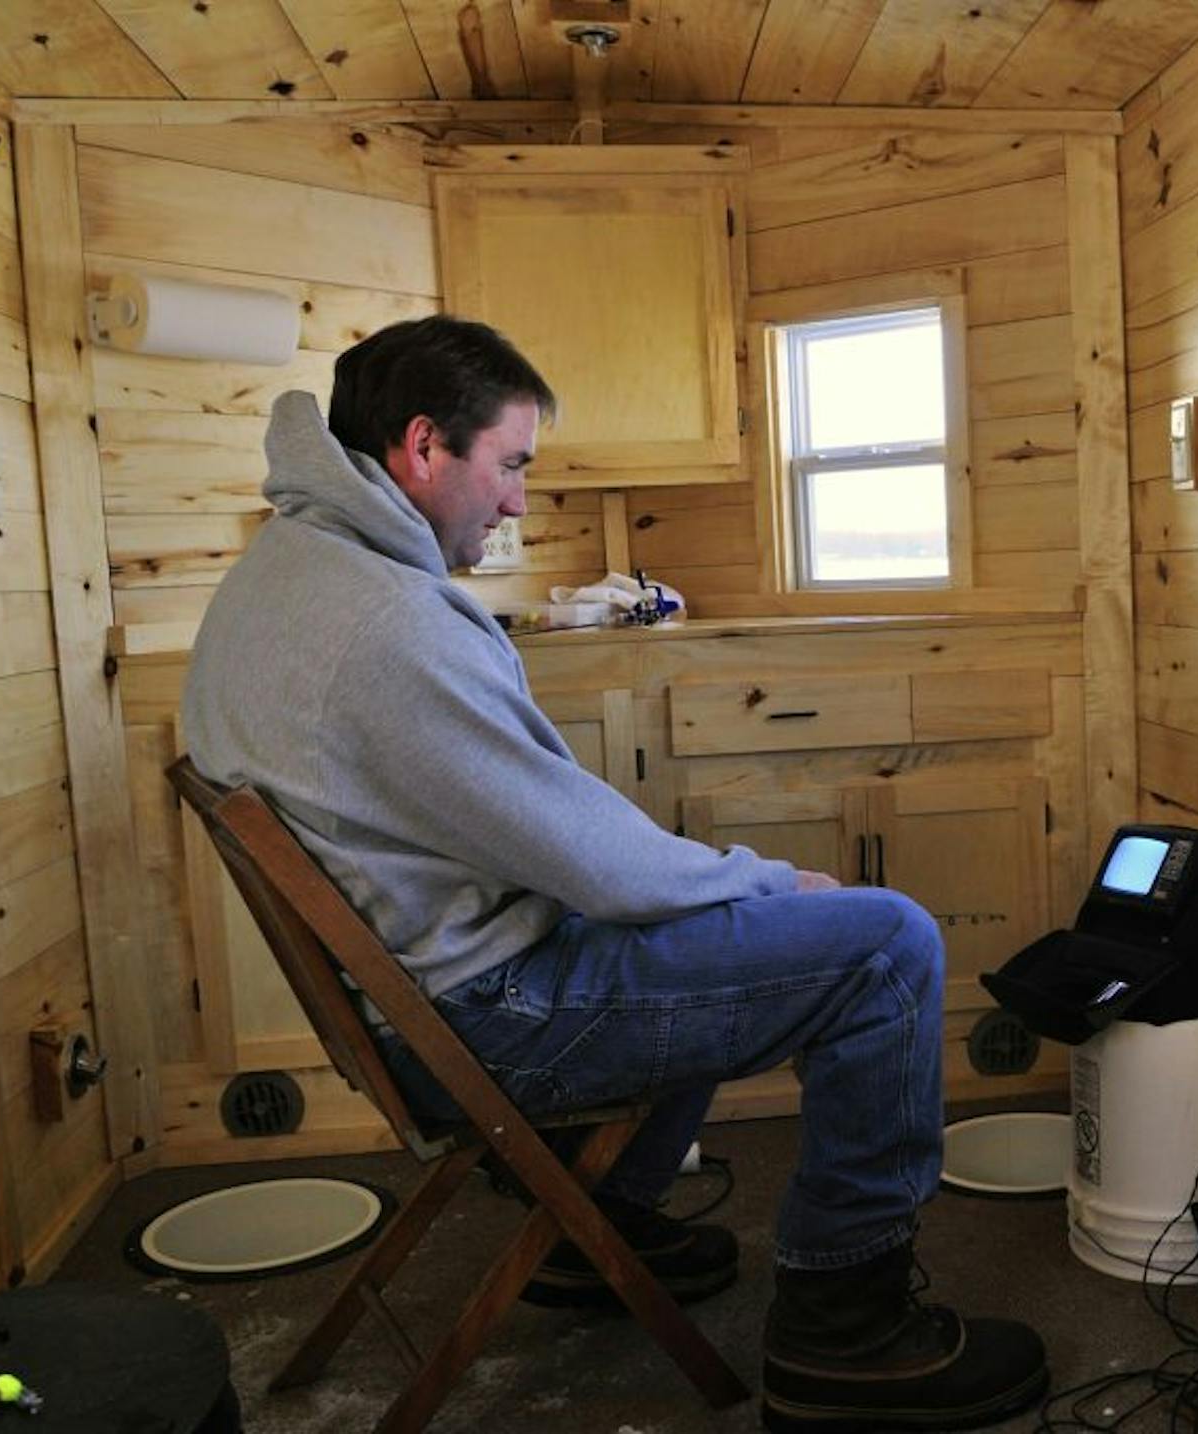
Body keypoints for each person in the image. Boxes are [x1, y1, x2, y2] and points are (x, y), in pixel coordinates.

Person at [181, 315, 1047, 1431]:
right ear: (422, 448)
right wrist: (778, 882)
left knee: (696, 916)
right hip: (485, 1019)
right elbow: (609, 873)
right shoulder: (388, 624)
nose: (515, 503)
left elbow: (593, 862)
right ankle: (849, 1332)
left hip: (418, 1004)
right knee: (885, 946)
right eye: (510, 466)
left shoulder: (290, 570)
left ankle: (596, 1229)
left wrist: (721, 884)